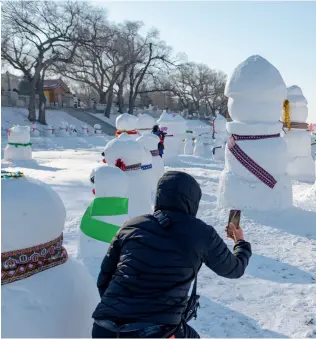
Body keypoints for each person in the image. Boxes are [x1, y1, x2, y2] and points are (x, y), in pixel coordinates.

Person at [92, 171, 252, 338]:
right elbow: (234, 269)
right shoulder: (200, 233)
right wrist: (240, 242)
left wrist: (119, 308)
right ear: (193, 201)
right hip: (154, 330)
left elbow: (104, 278)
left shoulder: (132, 226)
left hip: (105, 327)